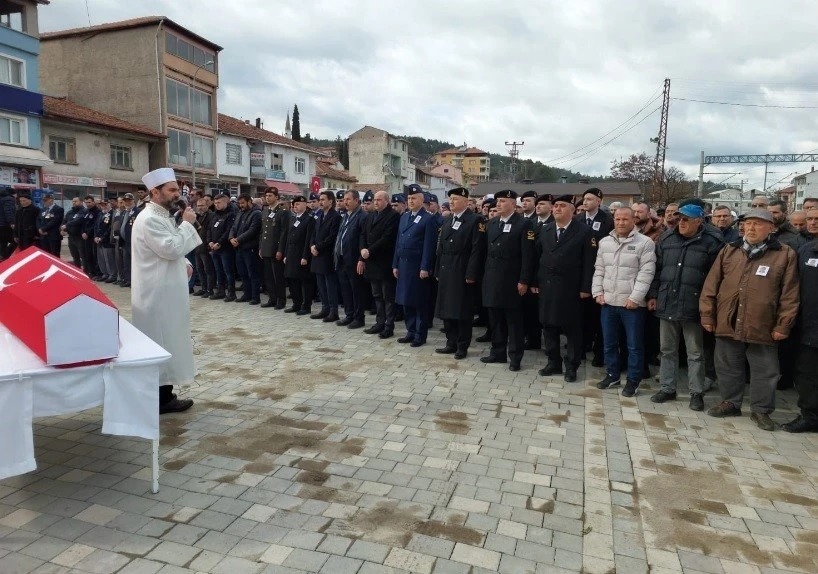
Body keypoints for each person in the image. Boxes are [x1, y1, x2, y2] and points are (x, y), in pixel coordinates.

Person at [701, 209, 799, 430]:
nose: (751, 228)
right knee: (727, 364)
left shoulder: (784, 254)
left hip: (762, 323)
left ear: (771, 228)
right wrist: (708, 314)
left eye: (758, 224)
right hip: (729, 318)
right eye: (748, 224)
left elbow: (790, 293)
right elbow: (711, 285)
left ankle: (761, 410)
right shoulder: (730, 250)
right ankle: (730, 402)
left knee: (766, 369)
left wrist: (783, 324)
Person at [131, 168, 200, 414]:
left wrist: (186, 264)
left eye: (177, 190)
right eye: (171, 190)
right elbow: (170, 248)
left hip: (167, 291)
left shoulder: (163, 216)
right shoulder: (149, 218)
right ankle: (161, 398)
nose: (176, 195)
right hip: (157, 295)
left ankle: (164, 394)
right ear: (154, 192)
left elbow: (172, 253)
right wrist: (188, 225)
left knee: (169, 341)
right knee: (161, 342)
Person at [647, 202, 723, 411]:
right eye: (680, 218)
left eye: (686, 219)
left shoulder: (712, 242)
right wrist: (653, 294)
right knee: (667, 350)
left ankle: (696, 393)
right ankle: (667, 388)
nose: (681, 222)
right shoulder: (667, 238)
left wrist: (709, 306)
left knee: (695, 353)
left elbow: (716, 278)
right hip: (667, 301)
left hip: (694, 305)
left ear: (699, 221)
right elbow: (657, 269)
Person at [593, 207, 656, 397]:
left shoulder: (645, 243)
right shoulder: (605, 242)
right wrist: (597, 292)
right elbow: (599, 270)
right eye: (617, 219)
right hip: (608, 302)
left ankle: (633, 380)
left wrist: (635, 298)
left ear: (633, 220)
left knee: (634, 345)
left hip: (632, 305)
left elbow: (646, 273)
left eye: (625, 219)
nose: (621, 223)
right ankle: (612, 374)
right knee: (609, 343)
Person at [532, 194, 595, 382]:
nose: (557, 209)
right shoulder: (546, 229)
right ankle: (553, 362)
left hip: (571, 289)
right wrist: (535, 282)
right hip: (547, 286)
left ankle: (572, 366)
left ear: (572, 210)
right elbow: (537, 258)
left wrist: (586, 287)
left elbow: (589, 263)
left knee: (572, 329)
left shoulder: (584, 231)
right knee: (548, 326)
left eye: (562, 206)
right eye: (556, 206)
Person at [479, 189, 535, 371]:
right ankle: (498, 352)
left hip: (512, 280)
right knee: (495, 320)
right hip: (492, 278)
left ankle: (515, 357)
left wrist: (524, 280)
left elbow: (528, 256)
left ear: (513, 203)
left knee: (514, 322)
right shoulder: (492, 223)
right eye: (498, 201)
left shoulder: (523, 224)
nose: (499, 204)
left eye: (503, 201)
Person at [434, 187, 487, 360]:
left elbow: (477, 250)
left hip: (462, 271)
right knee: (447, 309)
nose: (452, 202)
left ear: (465, 201)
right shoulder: (448, 220)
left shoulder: (475, 220)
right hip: (446, 270)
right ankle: (451, 342)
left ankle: (462, 346)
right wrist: (437, 269)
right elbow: (440, 248)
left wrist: (471, 273)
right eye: (450, 199)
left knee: (462, 311)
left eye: (455, 199)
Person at [783, 209, 818, 432]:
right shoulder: (805, 250)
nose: (814, 223)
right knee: (807, 375)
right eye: (811, 219)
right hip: (809, 326)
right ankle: (810, 416)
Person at [393, 184, 439, 347]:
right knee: (406, 301)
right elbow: (399, 241)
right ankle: (410, 331)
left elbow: (429, 245)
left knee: (419, 302)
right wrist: (395, 264)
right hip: (404, 266)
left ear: (422, 199)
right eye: (409, 198)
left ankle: (420, 334)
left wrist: (425, 267)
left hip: (417, 267)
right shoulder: (405, 217)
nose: (411, 201)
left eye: (414, 198)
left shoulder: (429, 218)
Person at [577, 187, 614, 367]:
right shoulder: (577, 220)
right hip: (581, 272)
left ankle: (599, 353)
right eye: (584, 199)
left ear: (599, 201)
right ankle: (582, 347)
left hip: (601, 272)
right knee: (581, 315)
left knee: (598, 316)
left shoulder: (608, 220)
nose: (585, 202)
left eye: (590, 199)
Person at [361, 191, 400, 338]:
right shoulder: (370, 215)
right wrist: (363, 249)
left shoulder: (393, 216)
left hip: (384, 261)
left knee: (387, 296)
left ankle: (389, 326)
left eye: (379, 200)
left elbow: (387, 238)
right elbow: (363, 234)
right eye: (374, 200)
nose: (376, 202)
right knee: (376, 294)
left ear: (386, 201)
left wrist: (369, 250)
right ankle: (379, 322)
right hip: (371, 261)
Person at [335, 190, 368, 328]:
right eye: (344, 199)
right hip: (342, 258)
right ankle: (349, 315)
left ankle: (359, 318)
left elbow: (364, 239)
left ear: (356, 200)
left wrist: (361, 258)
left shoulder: (362, 216)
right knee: (346, 289)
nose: (345, 202)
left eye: (348, 199)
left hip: (354, 259)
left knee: (357, 290)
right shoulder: (346, 216)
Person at [310, 190, 342, 321]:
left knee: (330, 285)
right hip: (317, 254)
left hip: (327, 255)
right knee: (320, 284)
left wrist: (318, 247)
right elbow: (314, 233)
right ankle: (325, 308)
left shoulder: (335, 217)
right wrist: (312, 245)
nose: (321, 202)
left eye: (323, 200)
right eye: (320, 200)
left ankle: (333, 311)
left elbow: (332, 237)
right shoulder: (320, 216)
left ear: (330, 201)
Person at [283, 195, 316, 315]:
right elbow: (288, 237)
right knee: (293, 281)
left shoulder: (309, 219)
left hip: (301, 254)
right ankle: (296, 304)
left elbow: (308, 239)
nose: (295, 207)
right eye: (294, 204)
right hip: (291, 254)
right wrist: (286, 254)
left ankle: (306, 306)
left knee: (304, 282)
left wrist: (305, 256)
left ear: (304, 204)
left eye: (297, 204)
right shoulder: (293, 218)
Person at [259, 187, 291, 309]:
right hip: (266, 248)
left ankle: (281, 300)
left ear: (276, 197)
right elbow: (263, 232)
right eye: (266, 196)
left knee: (278, 277)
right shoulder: (266, 210)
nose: (268, 198)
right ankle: (272, 298)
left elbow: (284, 232)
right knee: (268, 276)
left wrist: (280, 249)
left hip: (276, 248)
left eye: (270, 196)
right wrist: (261, 247)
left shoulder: (282, 211)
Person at [229, 193, 262, 305]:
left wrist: (237, 240)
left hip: (250, 248)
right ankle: (246, 294)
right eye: (239, 203)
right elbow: (233, 227)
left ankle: (255, 296)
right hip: (239, 248)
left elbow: (252, 230)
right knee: (242, 273)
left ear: (249, 201)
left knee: (253, 273)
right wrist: (231, 238)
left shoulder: (257, 213)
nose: (241, 205)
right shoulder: (240, 213)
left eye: (243, 203)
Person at [207, 193, 237, 301]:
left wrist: (219, 243)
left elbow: (228, 231)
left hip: (225, 248)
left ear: (225, 202)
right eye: (215, 203)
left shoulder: (231, 214)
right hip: (214, 247)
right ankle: (221, 291)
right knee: (218, 270)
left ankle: (231, 293)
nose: (216, 205)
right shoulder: (215, 214)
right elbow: (209, 229)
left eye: (219, 202)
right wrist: (210, 241)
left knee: (228, 271)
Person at [192, 198, 215, 298]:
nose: (200, 208)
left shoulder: (211, 216)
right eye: (198, 205)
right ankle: (203, 288)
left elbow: (209, 231)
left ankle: (210, 290)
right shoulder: (197, 217)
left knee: (208, 270)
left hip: (206, 246)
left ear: (207, 205)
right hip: (197, 246)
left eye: (202, 205)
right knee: (199, 269)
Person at [93, 199, 116, 282]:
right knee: (101, 259)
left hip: (107, 241)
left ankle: (112, 275)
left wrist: (102, 238)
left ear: (109, 204)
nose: (103, 206)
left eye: (105, 204)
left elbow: (110, 228)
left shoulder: (112, 214)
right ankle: (105, 273)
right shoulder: (100, 213)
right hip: (99, 240)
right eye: (102, 205)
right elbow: (96, 226)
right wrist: (95, 236)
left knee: (109, 259)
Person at [62, 196, 87, 268]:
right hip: (71, 237)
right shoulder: (70, 212)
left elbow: (78, 220)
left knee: (83, 256)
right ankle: (77, 270)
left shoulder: (84, 211)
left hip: (79, 237)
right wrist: (62, 230)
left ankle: (86, 272)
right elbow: (64, 221)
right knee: (75, 256)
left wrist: (66, 225)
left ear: (81, 202)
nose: (74, 203)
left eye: (76, 201)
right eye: (73, 201)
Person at [37, 192, 64, 257]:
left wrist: (43, 229)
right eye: (43, 200)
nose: (44, 202)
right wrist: (39, 229)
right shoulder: (43, 209)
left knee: (54, 255)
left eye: (45, 200)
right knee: (46, 255)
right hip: (44, 236)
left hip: (53, 236)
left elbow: (55, 221)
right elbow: (38, 219)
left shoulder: (58, 209)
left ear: (51, 200)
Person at [81, 195, 102, 279]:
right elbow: (83, 223)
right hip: (86, 237)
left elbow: (95, 225)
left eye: (89, 202)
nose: (88, 204)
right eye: (86, 203)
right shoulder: (86, 211)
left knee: (94, 255)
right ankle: (91, 271)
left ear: (93, 202)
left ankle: (97, 273)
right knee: (88, 255)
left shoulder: (97, 212)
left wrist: (87, 233)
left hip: (92, 236)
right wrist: (82, 232)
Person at [0, 186, 15, 260]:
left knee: (3, 241)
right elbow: (8, 211)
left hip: (1, 224)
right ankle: (6, 256)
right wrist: (12, 222)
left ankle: (2, 256)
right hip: (5, 225)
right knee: (15, 240)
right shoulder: (9, 199)